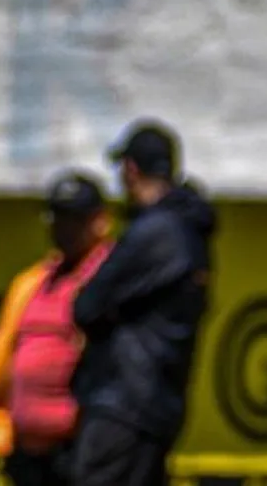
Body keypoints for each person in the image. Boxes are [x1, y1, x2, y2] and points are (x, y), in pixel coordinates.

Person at [68, 119, 216, 486]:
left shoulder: (156, 229)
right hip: (159, 400)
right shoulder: (191, 228)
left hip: (124, 402)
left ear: (131, 170)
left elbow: (86, 306)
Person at [0, 170, 113, 486]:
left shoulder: (110, 280)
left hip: (80, 454)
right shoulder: (32, 282)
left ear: (99, 220)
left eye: (74, 219)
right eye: (58, 218)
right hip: (25, 455)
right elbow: (1, 355)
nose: (64, 229)